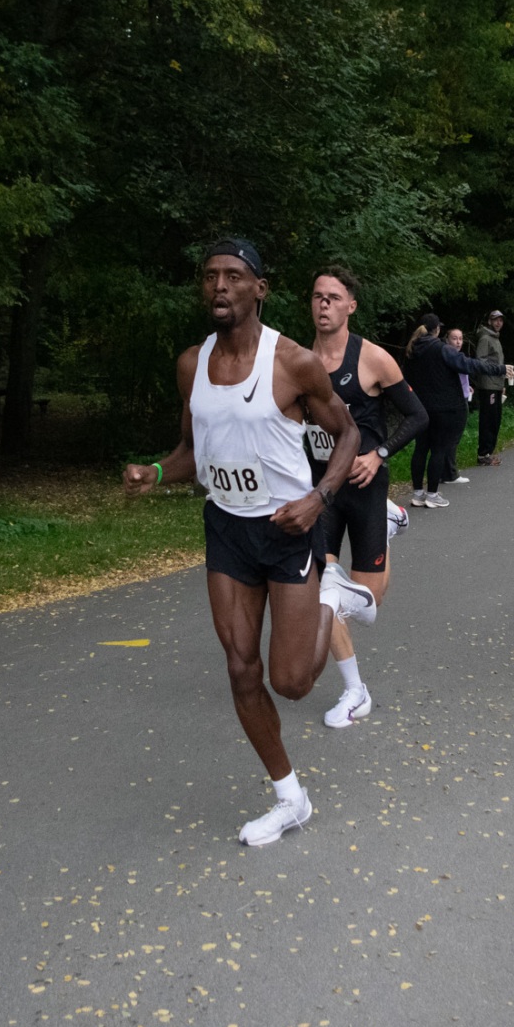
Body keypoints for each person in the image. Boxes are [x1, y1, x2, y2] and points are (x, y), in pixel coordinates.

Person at [122, 239, 377, 848]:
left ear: (259, 288)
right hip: (228, 529)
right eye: (210, 276)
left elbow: (348, 433)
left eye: (234, 276)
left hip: (288, 527)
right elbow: (193, 452)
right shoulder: (192, 365)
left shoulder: (292, 362)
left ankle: (332, 598)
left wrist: (319, 498)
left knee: (292, 683)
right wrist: (155, 473)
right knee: (241, 668)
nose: (220, 286)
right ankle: (290, 798)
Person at [307, 267, 429, 729]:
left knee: (367, 605)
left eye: (334, 297)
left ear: (350, 306)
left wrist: (379, 455)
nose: (324, 304)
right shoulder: (297, 362)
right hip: (320, 491)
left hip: (364, 487)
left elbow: (418, 416)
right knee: (324, 594)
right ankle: (355, 691)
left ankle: (388, 522)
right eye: (318, 296)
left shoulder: (374, 359)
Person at [407, 314, 511, 508]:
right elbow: (469, 364)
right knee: (438, 450)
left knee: (421, 449)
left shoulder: (412, 350)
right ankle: (432, 494)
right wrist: (500, 369)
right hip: (444, 408)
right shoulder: (442, 349)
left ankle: (418, 494)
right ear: (437, 330)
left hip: (420, 407)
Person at [473, 311, 508, 466]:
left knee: (495, 419)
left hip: (497, 385)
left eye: (500, 320)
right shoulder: (485, 338)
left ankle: (488, 453)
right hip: (487, 386)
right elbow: (480, 362)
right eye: (495, 320)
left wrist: (503, 382)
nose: (498, 323)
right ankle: (483, 454)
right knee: (488, 419)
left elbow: (497, 362)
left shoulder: (496, 338)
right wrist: (499, 370)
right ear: (489, 321)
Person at [443, 328, 472, 483]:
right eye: (454, 338)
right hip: (457, 402)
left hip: (462, 396)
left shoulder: (455, 356)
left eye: (460, 338)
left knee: (451, 438)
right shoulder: (451, 357)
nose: (458, 342)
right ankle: (451, 474)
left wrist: (468, 387)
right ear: (447, 339)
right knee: (453, 438)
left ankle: (445, 472)